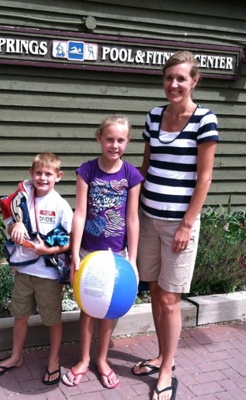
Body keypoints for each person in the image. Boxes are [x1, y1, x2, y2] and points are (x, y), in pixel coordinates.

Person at [132, 51, 219, 400]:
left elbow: (205, 179)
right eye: (169, 78)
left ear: (194, 81)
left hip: (179, 225)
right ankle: (160, 354)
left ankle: (168, 367)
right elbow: (144, 167)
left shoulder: (204, 120)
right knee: (154, 291)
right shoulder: (154, 117)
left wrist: (187, 224)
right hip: (148, 218)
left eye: (181, 78)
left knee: (170, 298)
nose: (174, 84)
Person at [61, 116, 143, 389]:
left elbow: (132, 218)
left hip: (117, 256)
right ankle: (84, 358)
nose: (114, 145)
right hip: (88, 253)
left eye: (121, 140)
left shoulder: (131, 175)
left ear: (128, 142)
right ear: (99, 138)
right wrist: (74, 253)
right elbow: (80, 213)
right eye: (109, 139)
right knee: (88, 308)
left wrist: (132, 257)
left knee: (110, 311)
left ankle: (103, 359)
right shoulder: (87, 171)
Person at [0, 152, 73, 386]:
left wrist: (49, 251)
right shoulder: (20, 199)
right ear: (31, 173)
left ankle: (54, 360)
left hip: (48, 276)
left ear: (58, 176)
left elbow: (71, 240)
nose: (42, 178)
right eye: (38, 173)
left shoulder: (61, 205)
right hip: (24, 272)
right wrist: (15, 226)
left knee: (52, 320)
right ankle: (16, 357)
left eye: (48, 174)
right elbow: (9, 227)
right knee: (20, 316)